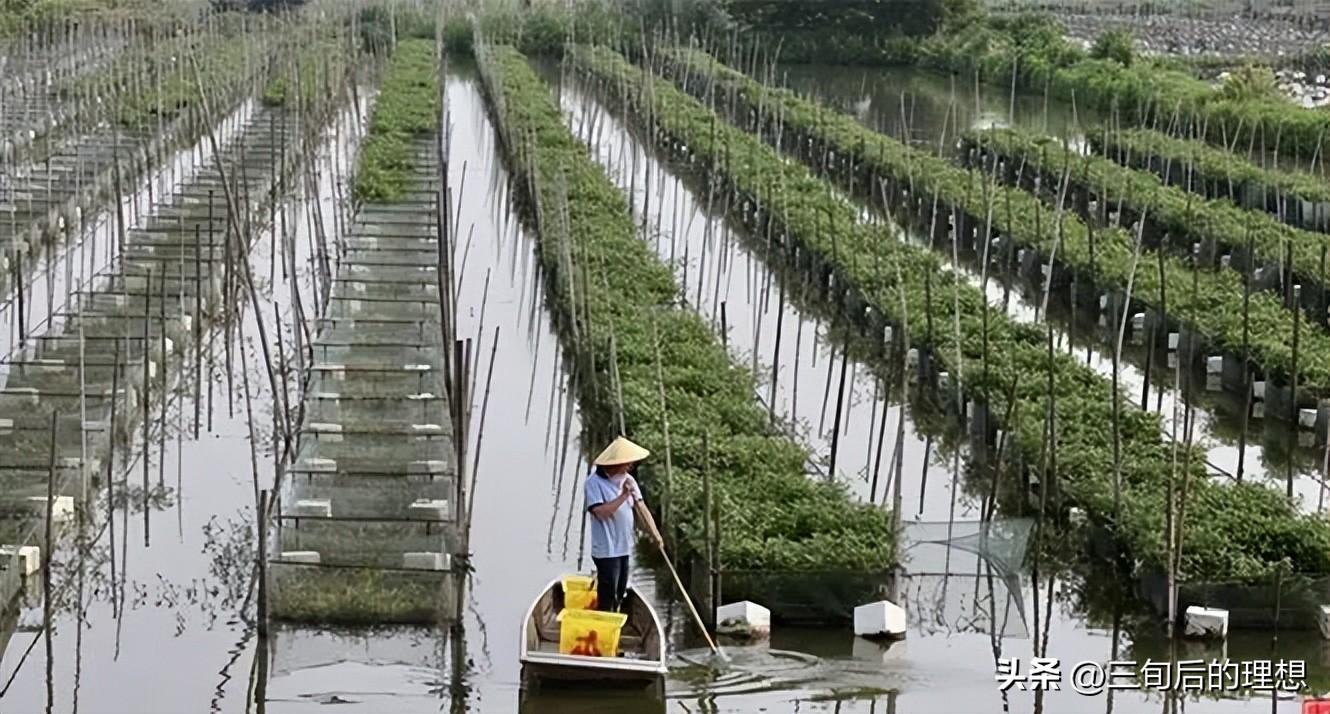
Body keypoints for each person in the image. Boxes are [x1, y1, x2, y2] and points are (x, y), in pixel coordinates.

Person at [584, 436, 658, 613]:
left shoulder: (629, 480)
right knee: (608, 593)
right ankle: (605, 626)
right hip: (606, 550)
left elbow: (641, 508)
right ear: (615, 464)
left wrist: (655, 535)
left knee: (620, 591)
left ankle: (614, 621)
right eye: (627, 464)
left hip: (624, 547)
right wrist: (623, 497)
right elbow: (600, 513)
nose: (629, 467)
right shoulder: (593, 483)